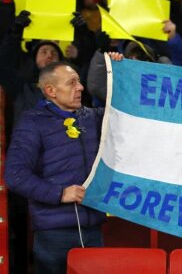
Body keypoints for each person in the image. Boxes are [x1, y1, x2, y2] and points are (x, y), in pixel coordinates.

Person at [5, 61, 107, 274]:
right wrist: (60, 193)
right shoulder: (32, 123)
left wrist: (120, 66)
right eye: (72, 83)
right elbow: (15, 175)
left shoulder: (92, 117)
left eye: (78, 82)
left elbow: (122, 106)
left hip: (94, 229)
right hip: (54, 235)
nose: (80, 87)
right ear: (50, 91)